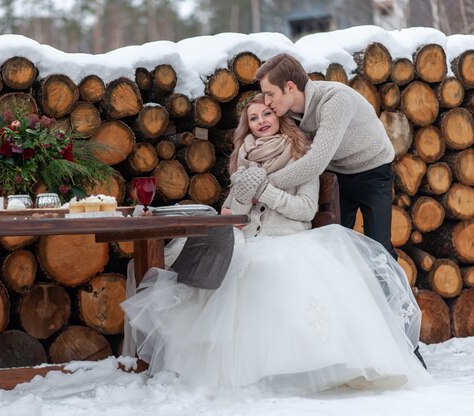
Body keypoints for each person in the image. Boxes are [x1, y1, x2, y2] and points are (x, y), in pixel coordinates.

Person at [120, 92, 431, 395]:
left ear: (280, 117)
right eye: (253, 118)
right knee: (221, 271)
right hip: (249, 240)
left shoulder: (301, 156)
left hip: (290, 240)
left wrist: (266, 190)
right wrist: (241, 196)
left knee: (270, 270)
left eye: (266, 113)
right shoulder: (243, 160)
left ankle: (310, 366)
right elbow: (233, 217)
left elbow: (306, 209)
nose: (261, 121)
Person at [255, 53, 397, 260]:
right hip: (337, 174)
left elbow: (315, 161)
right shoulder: (285, 113)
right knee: (334, 244)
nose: (267, 102)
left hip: (373, 172)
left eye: (270, 94)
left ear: (290, 87)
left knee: (379, 249)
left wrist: (265, 186)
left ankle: (390, 292)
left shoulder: (335, 99)